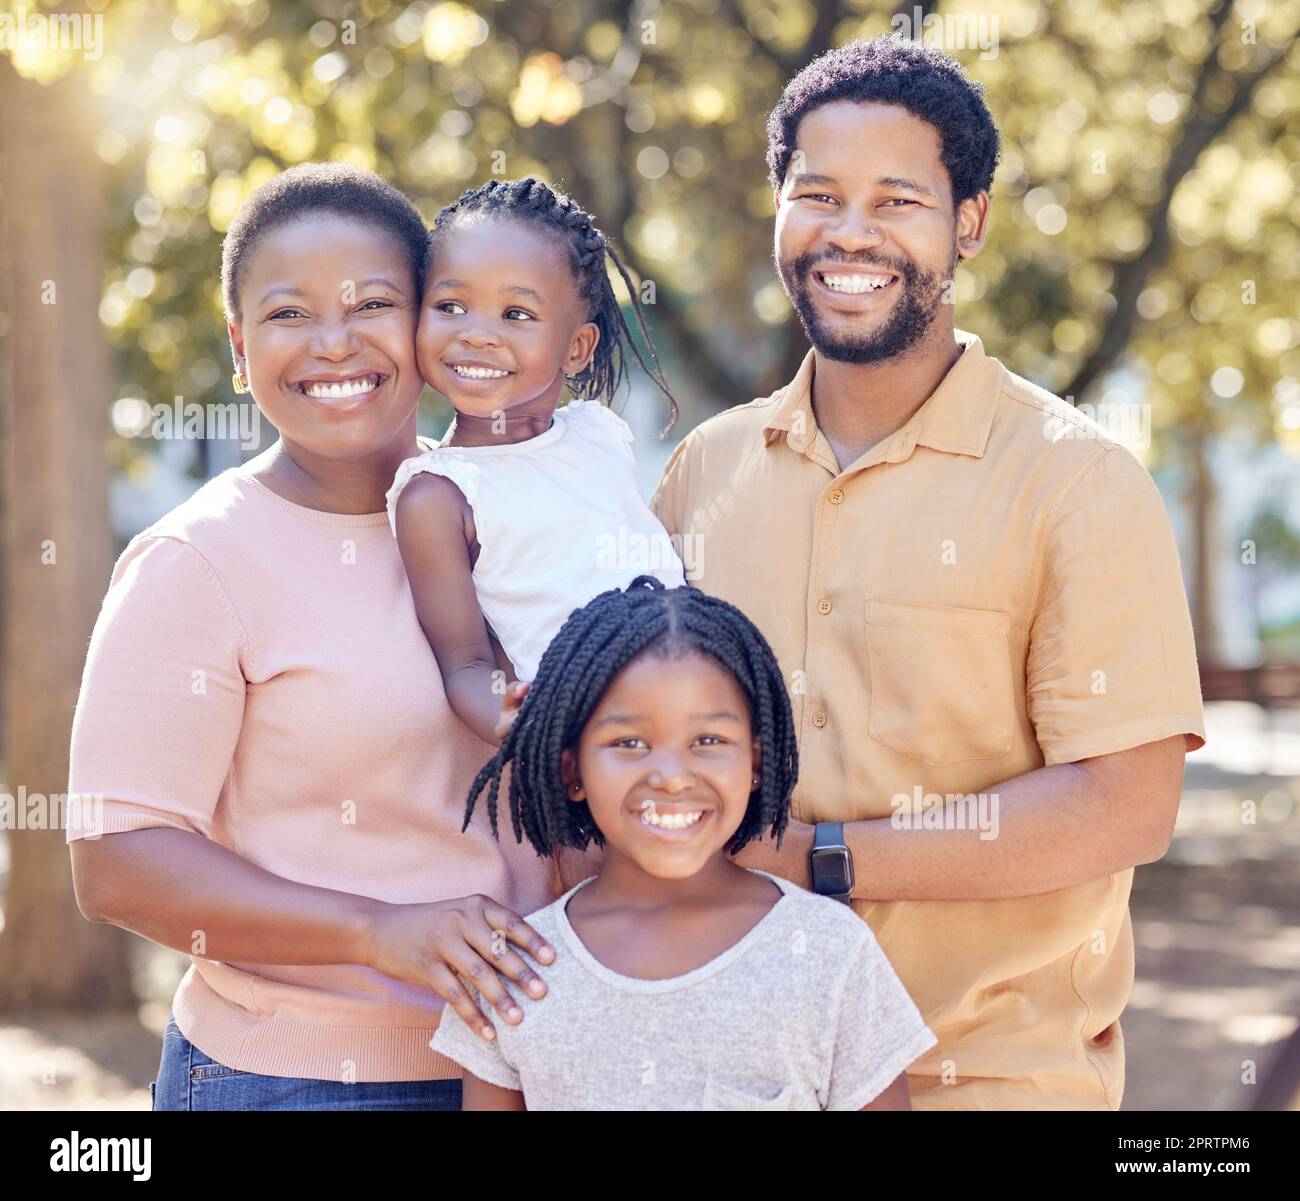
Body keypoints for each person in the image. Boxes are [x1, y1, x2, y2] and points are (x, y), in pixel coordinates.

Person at [646, 37, 1207, 1109]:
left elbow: (1124, 805)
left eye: (897, 200)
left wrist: (822, 856)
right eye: (817, 195)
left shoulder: (1077, 482)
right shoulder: (701, 470)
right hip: (722, 1067)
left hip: (982, 1079)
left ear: (969, 223)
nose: (850, 233)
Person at [66, 163, 561, 1111]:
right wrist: (378, 929)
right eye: (289, 314)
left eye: (373, 303)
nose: (334, 343)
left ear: (427, 325)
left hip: (540, 1066)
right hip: (299, 1080)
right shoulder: (197, 560)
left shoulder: (523, 506)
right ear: (240, 347)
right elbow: (117, 859)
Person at [430, 576, 937, 1110]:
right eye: (629, 742)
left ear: (756, 765)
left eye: (708, 741)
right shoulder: (513, 973)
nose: (672, 776)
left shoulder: (831, 955)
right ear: (571, 769)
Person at [385, 177, 685, 746]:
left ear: (577, 348)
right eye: (450, 305)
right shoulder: (439, 496)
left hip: (695, 698)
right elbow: (468, 667)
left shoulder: (599, 434)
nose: (477, 334)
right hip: (592, 741)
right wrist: (546, 740)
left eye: (516, 314)